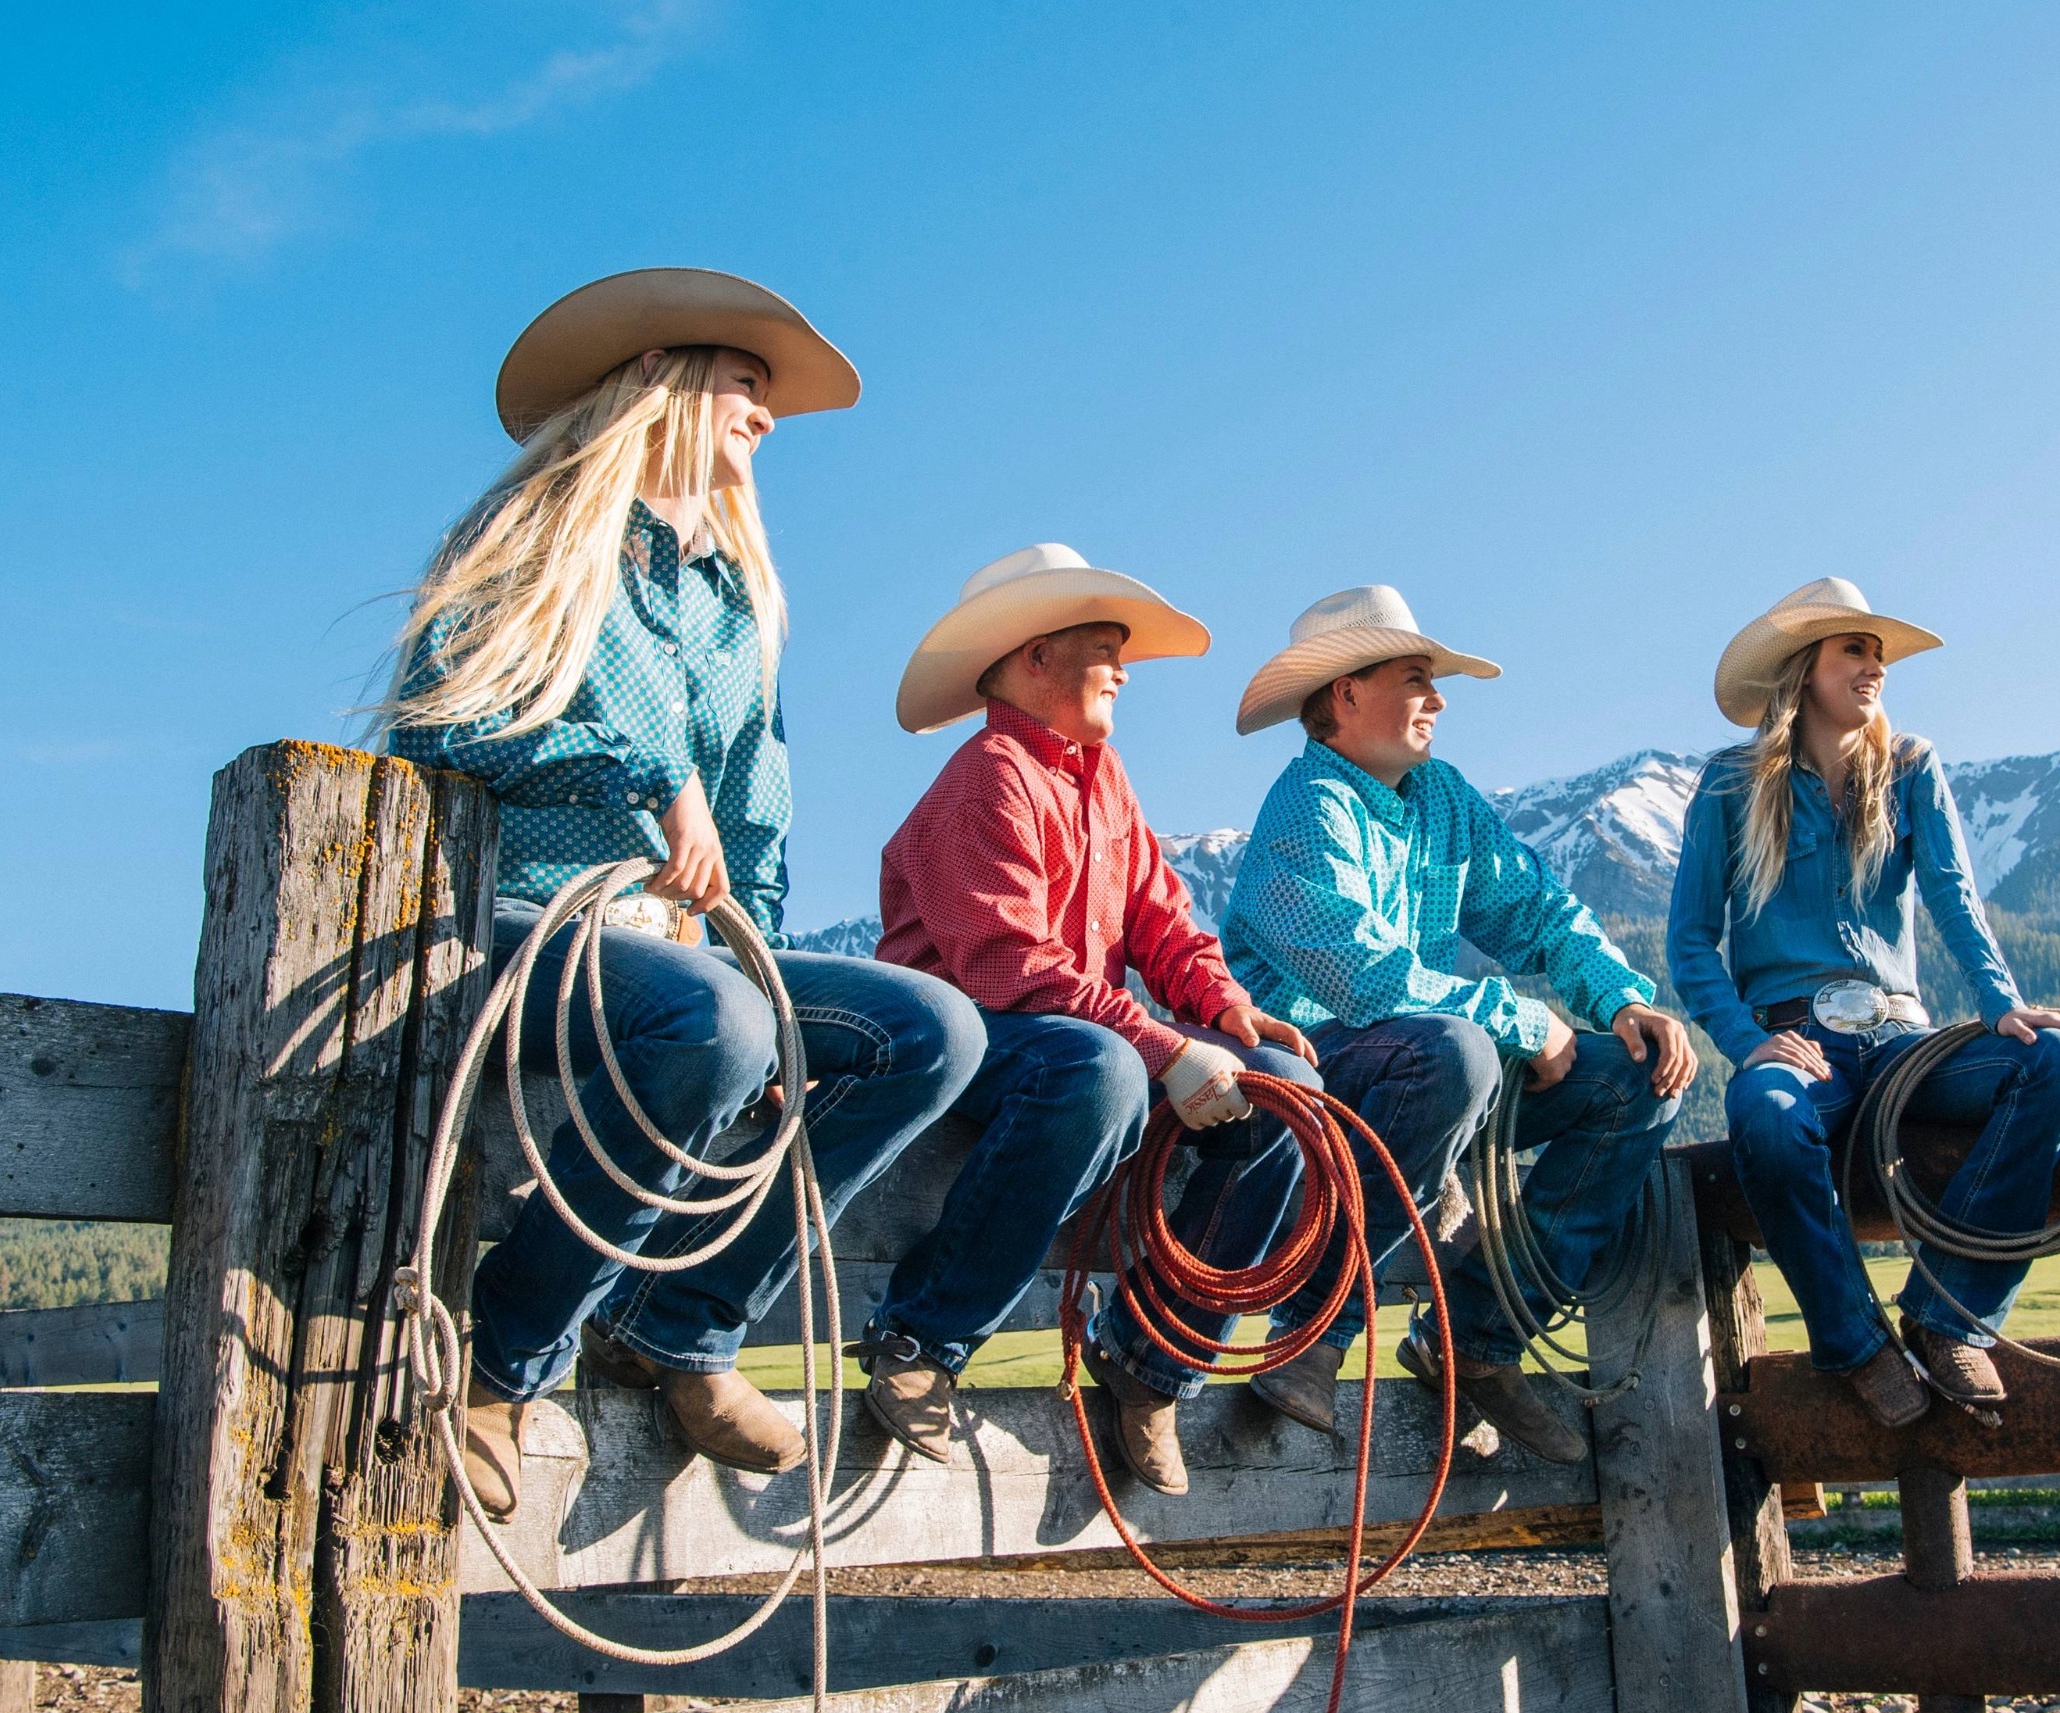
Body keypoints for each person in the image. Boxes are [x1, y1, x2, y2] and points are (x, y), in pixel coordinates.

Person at [383, 268, 983, 1521]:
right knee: (712, 1023)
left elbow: (753, 818)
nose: (763, 418)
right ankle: (502, 1358)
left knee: (928, 1032)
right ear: (658, 380)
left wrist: (754, 947)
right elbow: (443, 731)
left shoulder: (734, 603)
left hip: (677, 950)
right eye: (744, 386)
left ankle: (683, 1321)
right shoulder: (525, 539)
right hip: (520, 916)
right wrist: (645, 774)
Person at [858, 544, 1320, 1495]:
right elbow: (1009, 971)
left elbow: (1163, 920)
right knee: (1099, 1069)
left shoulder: (1102, 779)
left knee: (1290, 1091)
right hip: (967, 1046)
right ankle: (922, 1333)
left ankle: (1154, 1359)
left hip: (1066, 1036)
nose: (1123, 669)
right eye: (1105, 648)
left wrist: (1228, 1010)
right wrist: (1165, 1048)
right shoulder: (983, 779)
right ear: (1034, 656)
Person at [1202, 586, 1698, 1464]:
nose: (1438, 700)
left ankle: (1477, 1338)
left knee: (1633, 1078)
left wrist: (1623, 1000)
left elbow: (1537, 912)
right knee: (1457, 1054)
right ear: (1346, 695)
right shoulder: (1305, 809)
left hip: (1431, 1060)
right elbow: (1361, 977)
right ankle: (1317, 1333)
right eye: (1417, 679)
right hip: (1322, 1067)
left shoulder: (1442, 798)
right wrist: (1521, 1021)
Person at [1666, 578, 2060, 1428]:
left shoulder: (1910, 768)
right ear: (1804, 671)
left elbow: (1953, 898)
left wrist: (2000, 1002)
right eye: (1854, 651)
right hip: (1792, 1038)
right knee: (1766, 1115)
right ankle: (1855, 1343)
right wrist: (1747, 1041)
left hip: (1906, 1037)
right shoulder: (1730, 783)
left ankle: (1948, 1316)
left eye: (1879, 655)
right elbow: (1689, 943)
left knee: (2056, 1060)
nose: (1875, 670)